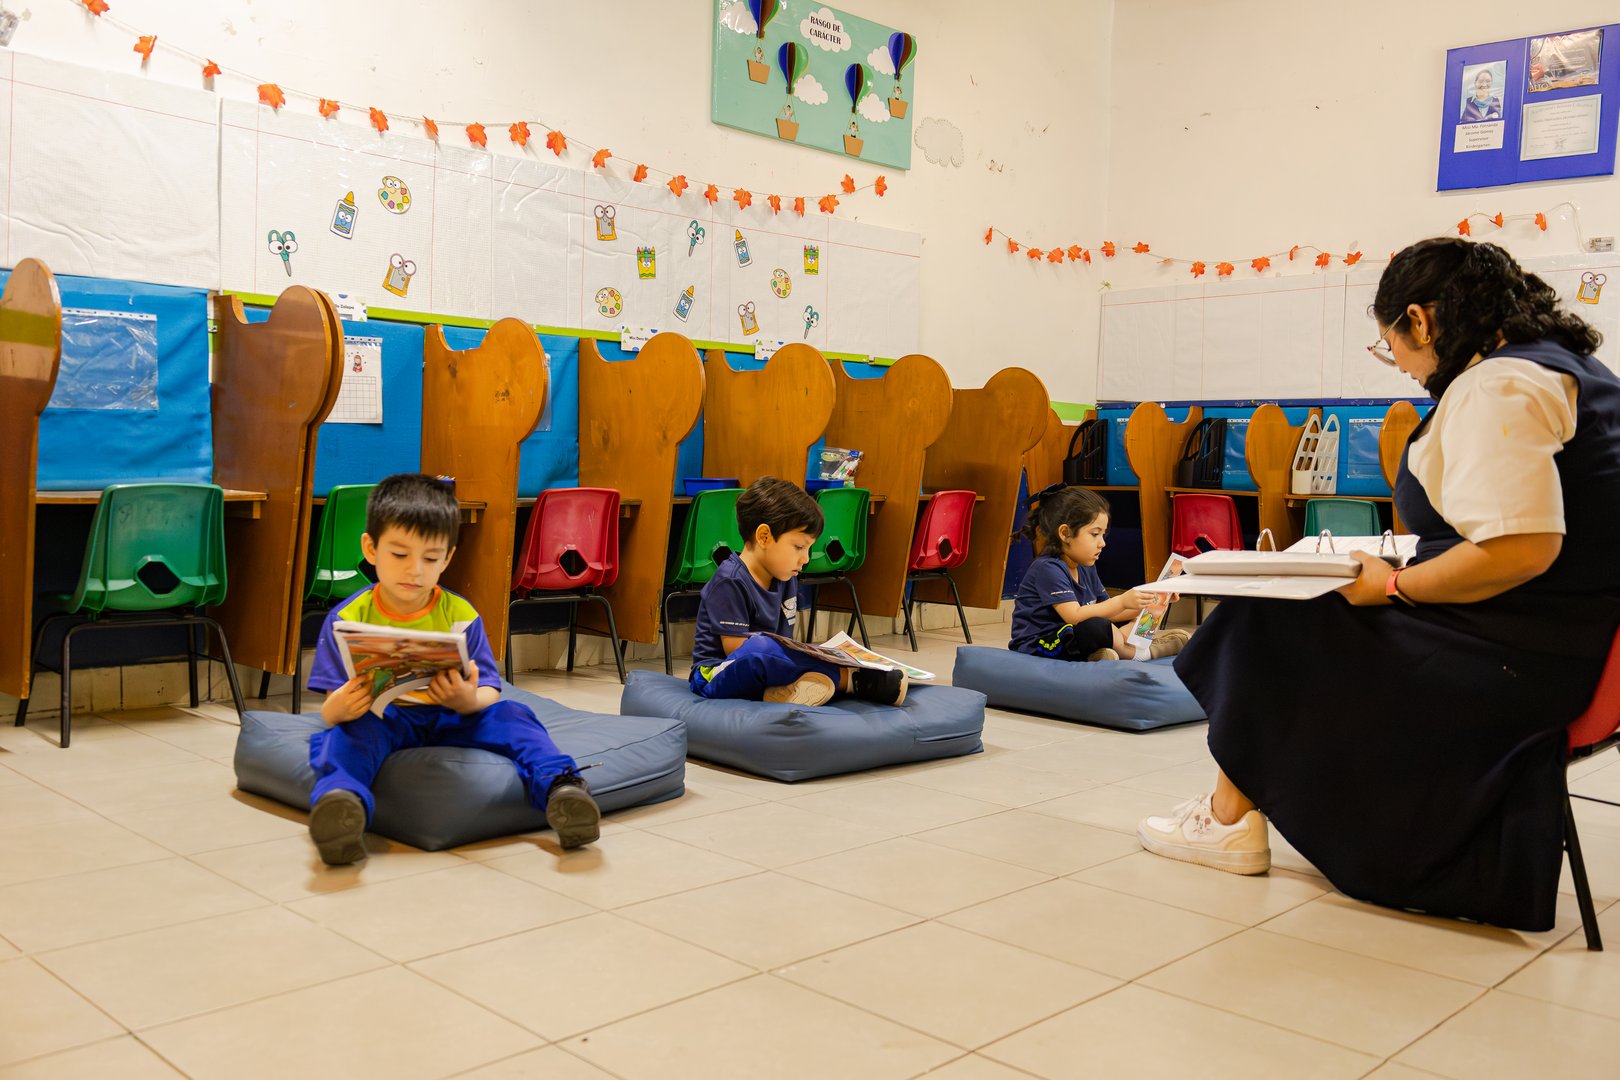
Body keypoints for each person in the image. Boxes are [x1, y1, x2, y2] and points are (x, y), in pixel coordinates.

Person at [1138, 238, 1620, 931]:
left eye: (1390, 345)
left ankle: (1225, 822)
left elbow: (1521, 550)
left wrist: (1396, 588)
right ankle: (1241, 813)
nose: (1400, 365)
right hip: (1558, 643)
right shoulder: (1579, 371)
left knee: (1264, 616)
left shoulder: (1498, 385)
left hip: (1508, 658)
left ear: (1420, 321)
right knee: (1291, 616)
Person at [304, 474, 600, 865]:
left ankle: (561, 790)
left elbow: (490, 690)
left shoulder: (460, 614)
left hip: (452, 716)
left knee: (515, 714)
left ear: (447, 558)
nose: (415, 571)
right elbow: (328, 709)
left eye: (430, 558)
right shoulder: (347, 617)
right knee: (342, 737)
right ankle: (342, 806)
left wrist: (466, 700)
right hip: (385, 717)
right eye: (399, 554)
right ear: (370, 549)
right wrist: (341, 707)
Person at [689, 476, 907, 707]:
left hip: (768, 669)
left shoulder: (785, 574)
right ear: (764, 536)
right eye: (799, 547)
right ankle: (852, 680)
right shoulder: (730, 581)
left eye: (809, 549)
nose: (805, 559)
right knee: (761, 647)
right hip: (715, 675)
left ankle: (783, 691)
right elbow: (739, 651)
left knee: (801, 650)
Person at [1009, 484, 1191, 662]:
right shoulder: (1047, 568)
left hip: (1076, 638)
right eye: (1095, 534)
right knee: (1096, 627)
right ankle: (1140, 653)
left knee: (1120, 618)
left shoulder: (1086, 567)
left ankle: (1106, 652)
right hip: (1042, 645)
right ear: (1065, 534)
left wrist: (1152, 604)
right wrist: (1121, 601)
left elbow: (1108, 611)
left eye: (1103, 535)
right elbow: (1074, 616)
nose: (1102, 543)